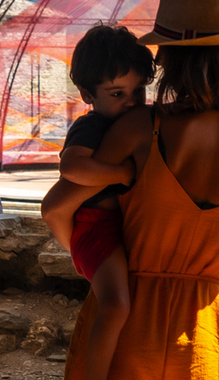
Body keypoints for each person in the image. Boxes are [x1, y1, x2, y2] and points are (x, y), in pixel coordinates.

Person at [42, 0, 219, 380]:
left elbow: (57, 206)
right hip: (206, 346)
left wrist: (96, 254)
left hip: (125, 343)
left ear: (173, 59)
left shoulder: (140, 127)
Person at [40, 24, 155, 380]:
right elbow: (72, 167)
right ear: (87, 94)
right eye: (118, 93)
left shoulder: (134, 119)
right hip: (96, 227)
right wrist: (121, 173)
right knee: (116, 304)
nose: (131, 101)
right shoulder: (90, 127)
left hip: (112, 227)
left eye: (139, 90)